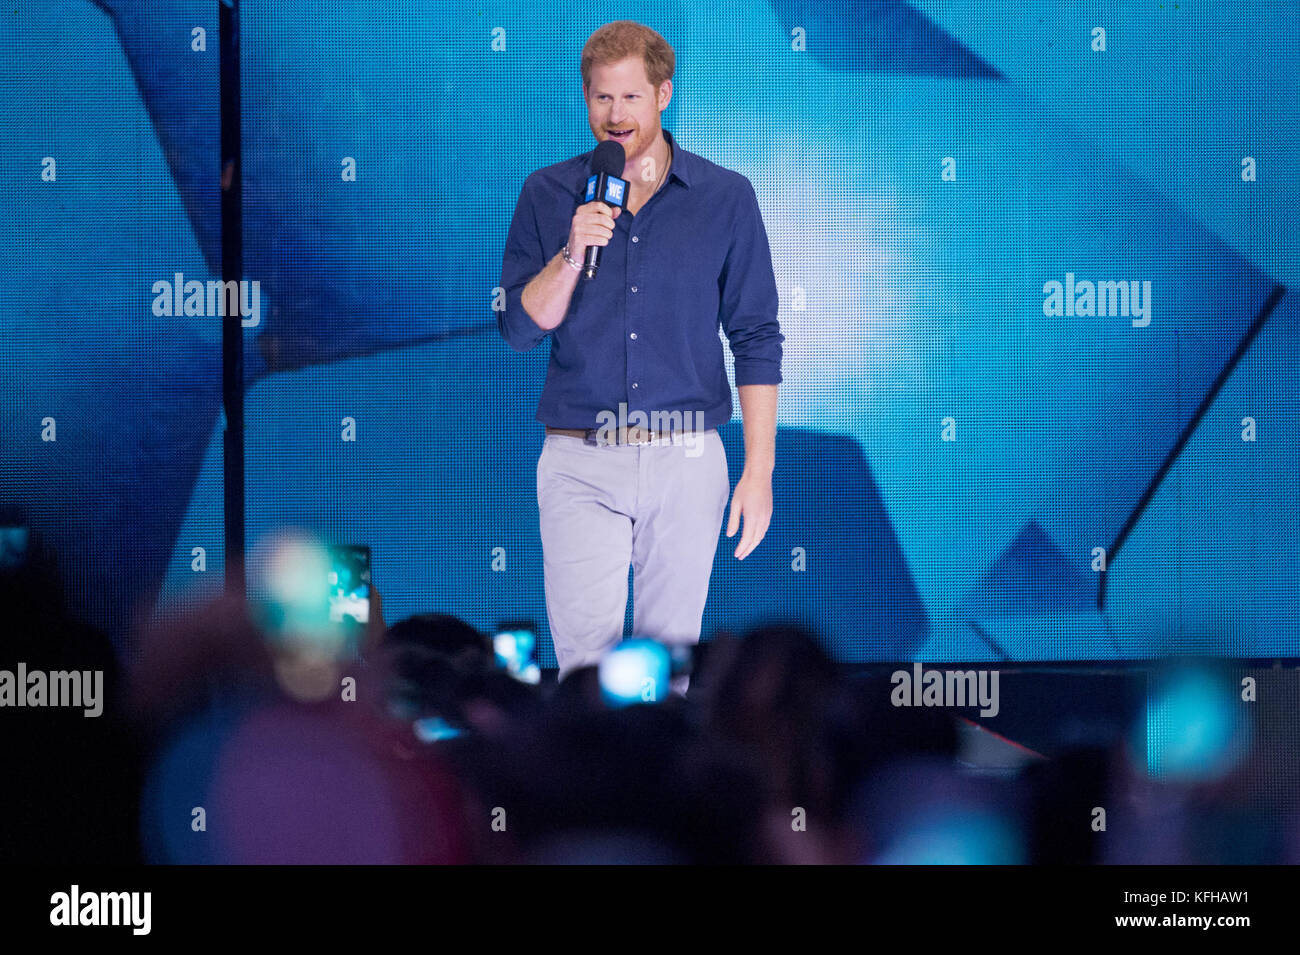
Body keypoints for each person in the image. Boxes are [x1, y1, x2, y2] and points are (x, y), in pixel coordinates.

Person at [497, 21, 783, 694]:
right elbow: (517, 328)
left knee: (667, 674)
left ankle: (660, 800)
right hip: (579, 459)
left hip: (686, 459)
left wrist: (760, 469)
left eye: (630, 98)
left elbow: (756, 336)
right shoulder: (548, 194)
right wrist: (571, 252)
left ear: (663, 95)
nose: (615, 115)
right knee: (584, 678)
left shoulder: (725, 196)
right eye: (602, 99)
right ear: (586, 101)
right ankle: (592, 801)